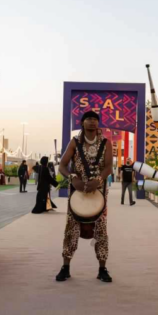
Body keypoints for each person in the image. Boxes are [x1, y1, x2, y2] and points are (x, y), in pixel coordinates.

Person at [56, 110, 113, 283]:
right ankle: (65, 267)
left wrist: (99, 180)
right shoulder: (75, 142)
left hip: (99, 193)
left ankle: (102, 269)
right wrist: (73, 179)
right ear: (82, 123)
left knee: (101, 230)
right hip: (77, 193)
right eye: (88, 119)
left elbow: (108, 167)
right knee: (71, 229)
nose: (92, 121)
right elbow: (62, 166)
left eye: (95, 119)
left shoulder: (106, 143)